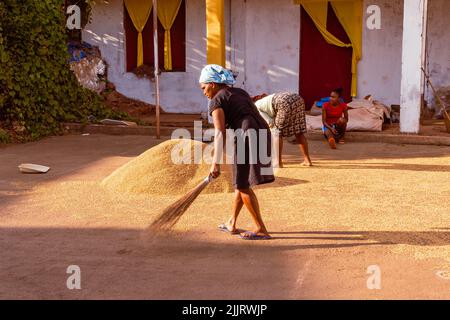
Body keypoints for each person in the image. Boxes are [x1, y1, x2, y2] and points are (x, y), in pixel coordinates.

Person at [199, 64, 275, 240]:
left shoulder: (216, 101)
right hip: (262, 131)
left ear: (213, 84)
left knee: (241, 185)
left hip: (246, 135)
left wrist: (215, 163)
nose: (203, 92)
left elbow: (219, 133)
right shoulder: (239, 92)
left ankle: (260, 228)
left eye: (204, 87)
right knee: (240, 182)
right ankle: (232, 223)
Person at [254, 92, 312, 168]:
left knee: (276, 133)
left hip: (283, 102)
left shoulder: (255, 107)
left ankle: (278, 163)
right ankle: (307, 160)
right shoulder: (265, 101)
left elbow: (270, 123)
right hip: (298, 99)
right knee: (299, 132)